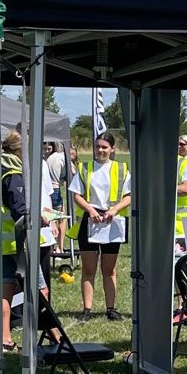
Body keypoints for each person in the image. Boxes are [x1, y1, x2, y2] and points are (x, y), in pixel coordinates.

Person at [0, 131, 54, 352]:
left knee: (6, 290)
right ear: (19, 150)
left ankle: (4, 339)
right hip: (17, 242)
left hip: (1, 243)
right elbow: (20, 212)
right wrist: (42, 218)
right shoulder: (13, 175)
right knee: (41, 291)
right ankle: (53, 336)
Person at [68, 131, 131, 322]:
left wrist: (114, 209)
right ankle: (87, 309)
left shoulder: (121, 169)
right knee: (88, 269)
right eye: (97, 146)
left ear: (112, 149)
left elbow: (129, 195)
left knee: (109, 269)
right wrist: (90, 210)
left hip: (112, 222)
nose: (100, 150)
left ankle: (111, 308)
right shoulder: (84, 168)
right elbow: (76, 194)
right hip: (90, 221)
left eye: (104, 147)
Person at [45, 141, 67, 253]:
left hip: (48, 190)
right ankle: (59, 247)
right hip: (55, 190)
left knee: (51, 218)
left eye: (49, 148)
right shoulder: (60, 157)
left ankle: (54, 247)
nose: (47, 151)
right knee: (60, 218)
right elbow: (71, 172)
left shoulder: (45, 160)